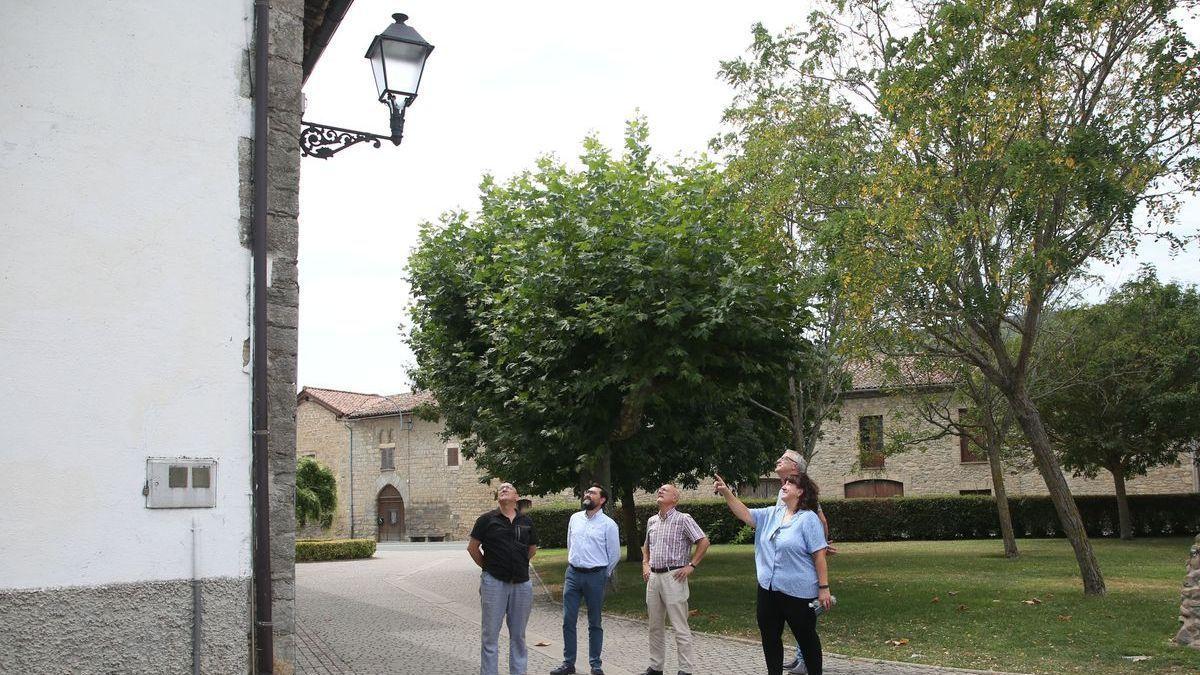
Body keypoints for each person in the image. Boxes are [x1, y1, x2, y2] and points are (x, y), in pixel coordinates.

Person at [714, 472, 832, 675]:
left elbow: (819, 556)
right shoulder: (771, 513)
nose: (784, 485)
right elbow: (744, 514)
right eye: (784, 482)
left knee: (806, 639)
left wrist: (824, 588)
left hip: (798, 592)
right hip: (768, 589)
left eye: (790, 483)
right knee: (769, 638)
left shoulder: (808, 519)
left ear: (801, 491)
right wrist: (726, 493)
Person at [639, 484, 710, 675]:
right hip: (654, 577)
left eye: (665, 490)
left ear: (675, 498)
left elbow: (703, 541)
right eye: (659, 489)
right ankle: (655, 667)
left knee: (679, 626)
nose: (660, 491)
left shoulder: (683, 519)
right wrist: (645, 563)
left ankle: (685, 670)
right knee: (654, 626)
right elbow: (646, 546)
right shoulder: (652, 521)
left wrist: (691, 565)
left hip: (674, 577)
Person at [469, 482, 539, 675]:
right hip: (494, 583)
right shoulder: (486, 520)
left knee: (518, 636)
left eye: (508, 488)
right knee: (490, 636)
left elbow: (531, 549)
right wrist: (488, 567)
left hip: (521, 584)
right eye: (501, 488)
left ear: (517, 497)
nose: (504, 489)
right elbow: (472, 548)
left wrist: (517, 564)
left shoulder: (526, 522)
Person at [774, 450, 834, 674]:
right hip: (783, 569)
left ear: (795, 469)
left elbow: (820, 520)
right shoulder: (783, 491)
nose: (778, 461)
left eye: (784, 459)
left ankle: (805, 659)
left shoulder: (802, 495)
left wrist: (821, 544)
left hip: (801, 569)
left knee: (804, 616)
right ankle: (801, 657)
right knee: (799, 617)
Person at [551, 484, 621, 675]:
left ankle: (595, 665)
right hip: (573, 574)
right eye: (587, 492)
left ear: (602, 500)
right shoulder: (574, 519)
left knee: (595, 622)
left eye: (592, 493)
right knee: (568, 620)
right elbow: (570, 543)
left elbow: (614, 554)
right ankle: (568, 663)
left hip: (595, 576)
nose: (587, 494)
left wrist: (601, 574)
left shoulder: (608, 524)